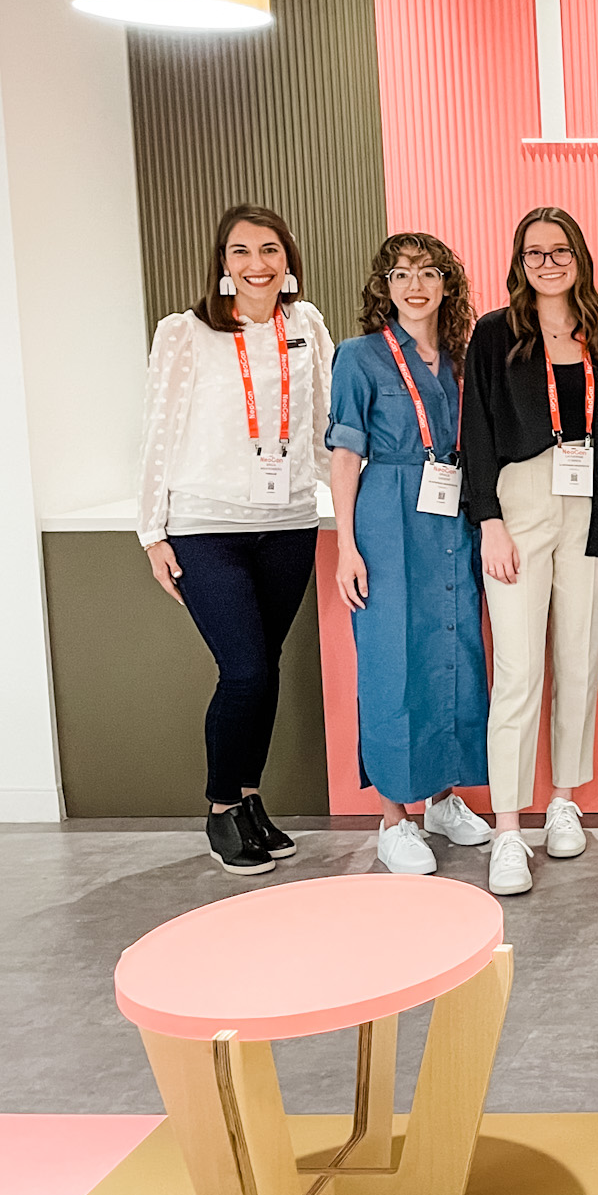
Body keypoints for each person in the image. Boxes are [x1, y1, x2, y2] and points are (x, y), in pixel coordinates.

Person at [137, 204, 333, 874]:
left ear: (289, 259)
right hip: (205, 526)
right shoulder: (184, 333)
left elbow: (322, 422)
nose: (258, 265)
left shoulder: (305, 324)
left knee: (267, 667)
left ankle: (251, 800)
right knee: (244, 669)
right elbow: (157, 433)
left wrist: (339, 500)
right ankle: (222, 807)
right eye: (242, 252)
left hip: (289, 523)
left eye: (270, 250)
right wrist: (151, 531)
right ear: (223, 263)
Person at [464, 207, 598, 895]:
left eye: (560, 250)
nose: (548, 262)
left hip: (592, 502)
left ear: (580, 258)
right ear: (519, 262)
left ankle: (563, 800)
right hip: (520, 501)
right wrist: (488, 520)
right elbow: (475, 430)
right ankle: (508, 829)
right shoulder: (494, 335)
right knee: (517, 671)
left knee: (580, 658)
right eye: (535, 252)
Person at [327, 233, 493, 875]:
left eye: (427, 274)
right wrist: (348, 546)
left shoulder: (461, 357)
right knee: (392, 658)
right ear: (384, 287)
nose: (414, 286)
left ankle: (444, 797)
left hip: (452, 514)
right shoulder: (359, 357)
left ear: (447, 284)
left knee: (454, 650)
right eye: (400, 276)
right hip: (388, 516)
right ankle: (394, 816)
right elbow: (345, 455)